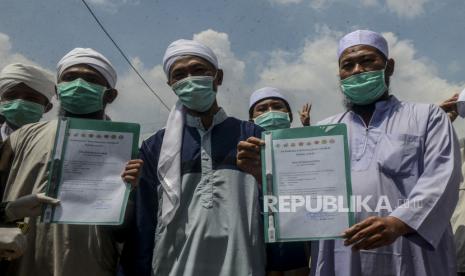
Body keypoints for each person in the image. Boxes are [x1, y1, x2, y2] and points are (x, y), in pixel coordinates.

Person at [237, 30, 462, 276]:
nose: (357, 70)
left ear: (389, 67)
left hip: (411, 249)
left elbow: (441, 178)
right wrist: (263, 176)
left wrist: (399, 223)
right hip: (341, 252)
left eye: (367, 61)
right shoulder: (326, 130)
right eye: (348, 65)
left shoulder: (427, 116)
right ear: (340, 75)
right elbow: (304, 199)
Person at [121, 39, 267, 276]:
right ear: (171, 84)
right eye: (180, 74)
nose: (189, 78)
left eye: (198, 70)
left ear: (218, 77)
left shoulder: (252, 136)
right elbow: (144, 220)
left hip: (243, 265)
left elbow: (278, 206)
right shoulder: (155, 147)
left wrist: (262, 176)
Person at [0, 47, 143, 276]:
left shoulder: (125, 147)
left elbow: (125, 230)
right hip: (22, 259)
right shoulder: (22, 138)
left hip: (89, 262)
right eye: (69, 77)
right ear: (57, 90)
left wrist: (128, 194)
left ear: (110, 95)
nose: (78, 84)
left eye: (91, 79)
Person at [249, 87, 310, 275]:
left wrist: (307, 130)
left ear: (290, 116)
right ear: (251, 119)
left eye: (277, 106)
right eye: (262, 109)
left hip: (297, 234)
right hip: (257, 238)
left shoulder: (301, 149)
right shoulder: (246, 153)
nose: (271, 113)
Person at [0, 63, 54, 143]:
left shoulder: (53, 143)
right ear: (1, 101)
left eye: (31, 98)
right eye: (12, 96)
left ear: (47, 108)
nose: (19, 103)